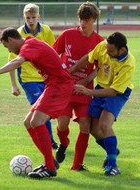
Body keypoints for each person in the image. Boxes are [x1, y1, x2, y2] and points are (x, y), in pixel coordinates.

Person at [0, 27, 74, 179]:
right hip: (54, 84)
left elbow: (17, 61)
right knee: (28, 122)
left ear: (11, 40)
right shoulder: (30, 43)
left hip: (60, 84)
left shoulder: (29, 45)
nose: (8, 50)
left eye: (7, 46)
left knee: (37, 121)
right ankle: (49, 161)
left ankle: (50, 168)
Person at [70, 32, 136, 176]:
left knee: (105, 124)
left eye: (111, 51)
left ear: (122, 50)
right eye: (106, 48)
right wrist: (70, 72)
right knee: (94, 129)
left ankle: (112, 166)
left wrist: (88, 92)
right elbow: (87, 59)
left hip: (118, 92)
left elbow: (113, 92)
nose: (106, 52)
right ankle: (112, 150)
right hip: (101, 88)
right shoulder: (103, 46)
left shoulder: (128, 63)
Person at [52, 2, 104, 171]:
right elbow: (53, 55)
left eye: (86, 20)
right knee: (62, 125)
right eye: (81, 19)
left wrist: (85, 80)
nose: (82, 23)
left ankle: (77, 165)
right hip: (65, 89)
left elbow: (99, 68)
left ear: (94, 20)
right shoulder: (67, 35)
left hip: (84, 91)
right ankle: (64, 143)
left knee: (85, 125)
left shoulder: (100, 42)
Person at [7, 3, 58, 149]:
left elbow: (53, 52)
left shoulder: (46, 31)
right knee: (40, 107)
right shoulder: (18, 33)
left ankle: (48, 140)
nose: (31, 20)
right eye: (28, 18)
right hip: (28, 78)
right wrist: (13, 85)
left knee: (45, 109)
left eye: (33, 17)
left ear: (39, 17)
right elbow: (12, 61)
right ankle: (50, 142)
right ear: (24, 17)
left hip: (45, 77)